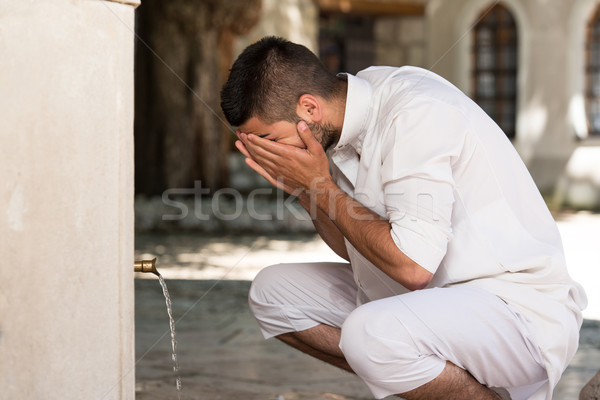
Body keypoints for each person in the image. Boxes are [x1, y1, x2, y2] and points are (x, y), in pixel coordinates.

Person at [220, 36, 587, 400]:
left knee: (370, 334)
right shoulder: (343, 117)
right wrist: (305, 190)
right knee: (273, 293)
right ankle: (445, 387)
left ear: (309, 108)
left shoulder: (415, 113)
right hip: (433, 299)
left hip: (514, 311)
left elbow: (412, 267)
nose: (266, 154)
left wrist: (319, 185)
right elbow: (359, 251)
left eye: (269, 140)